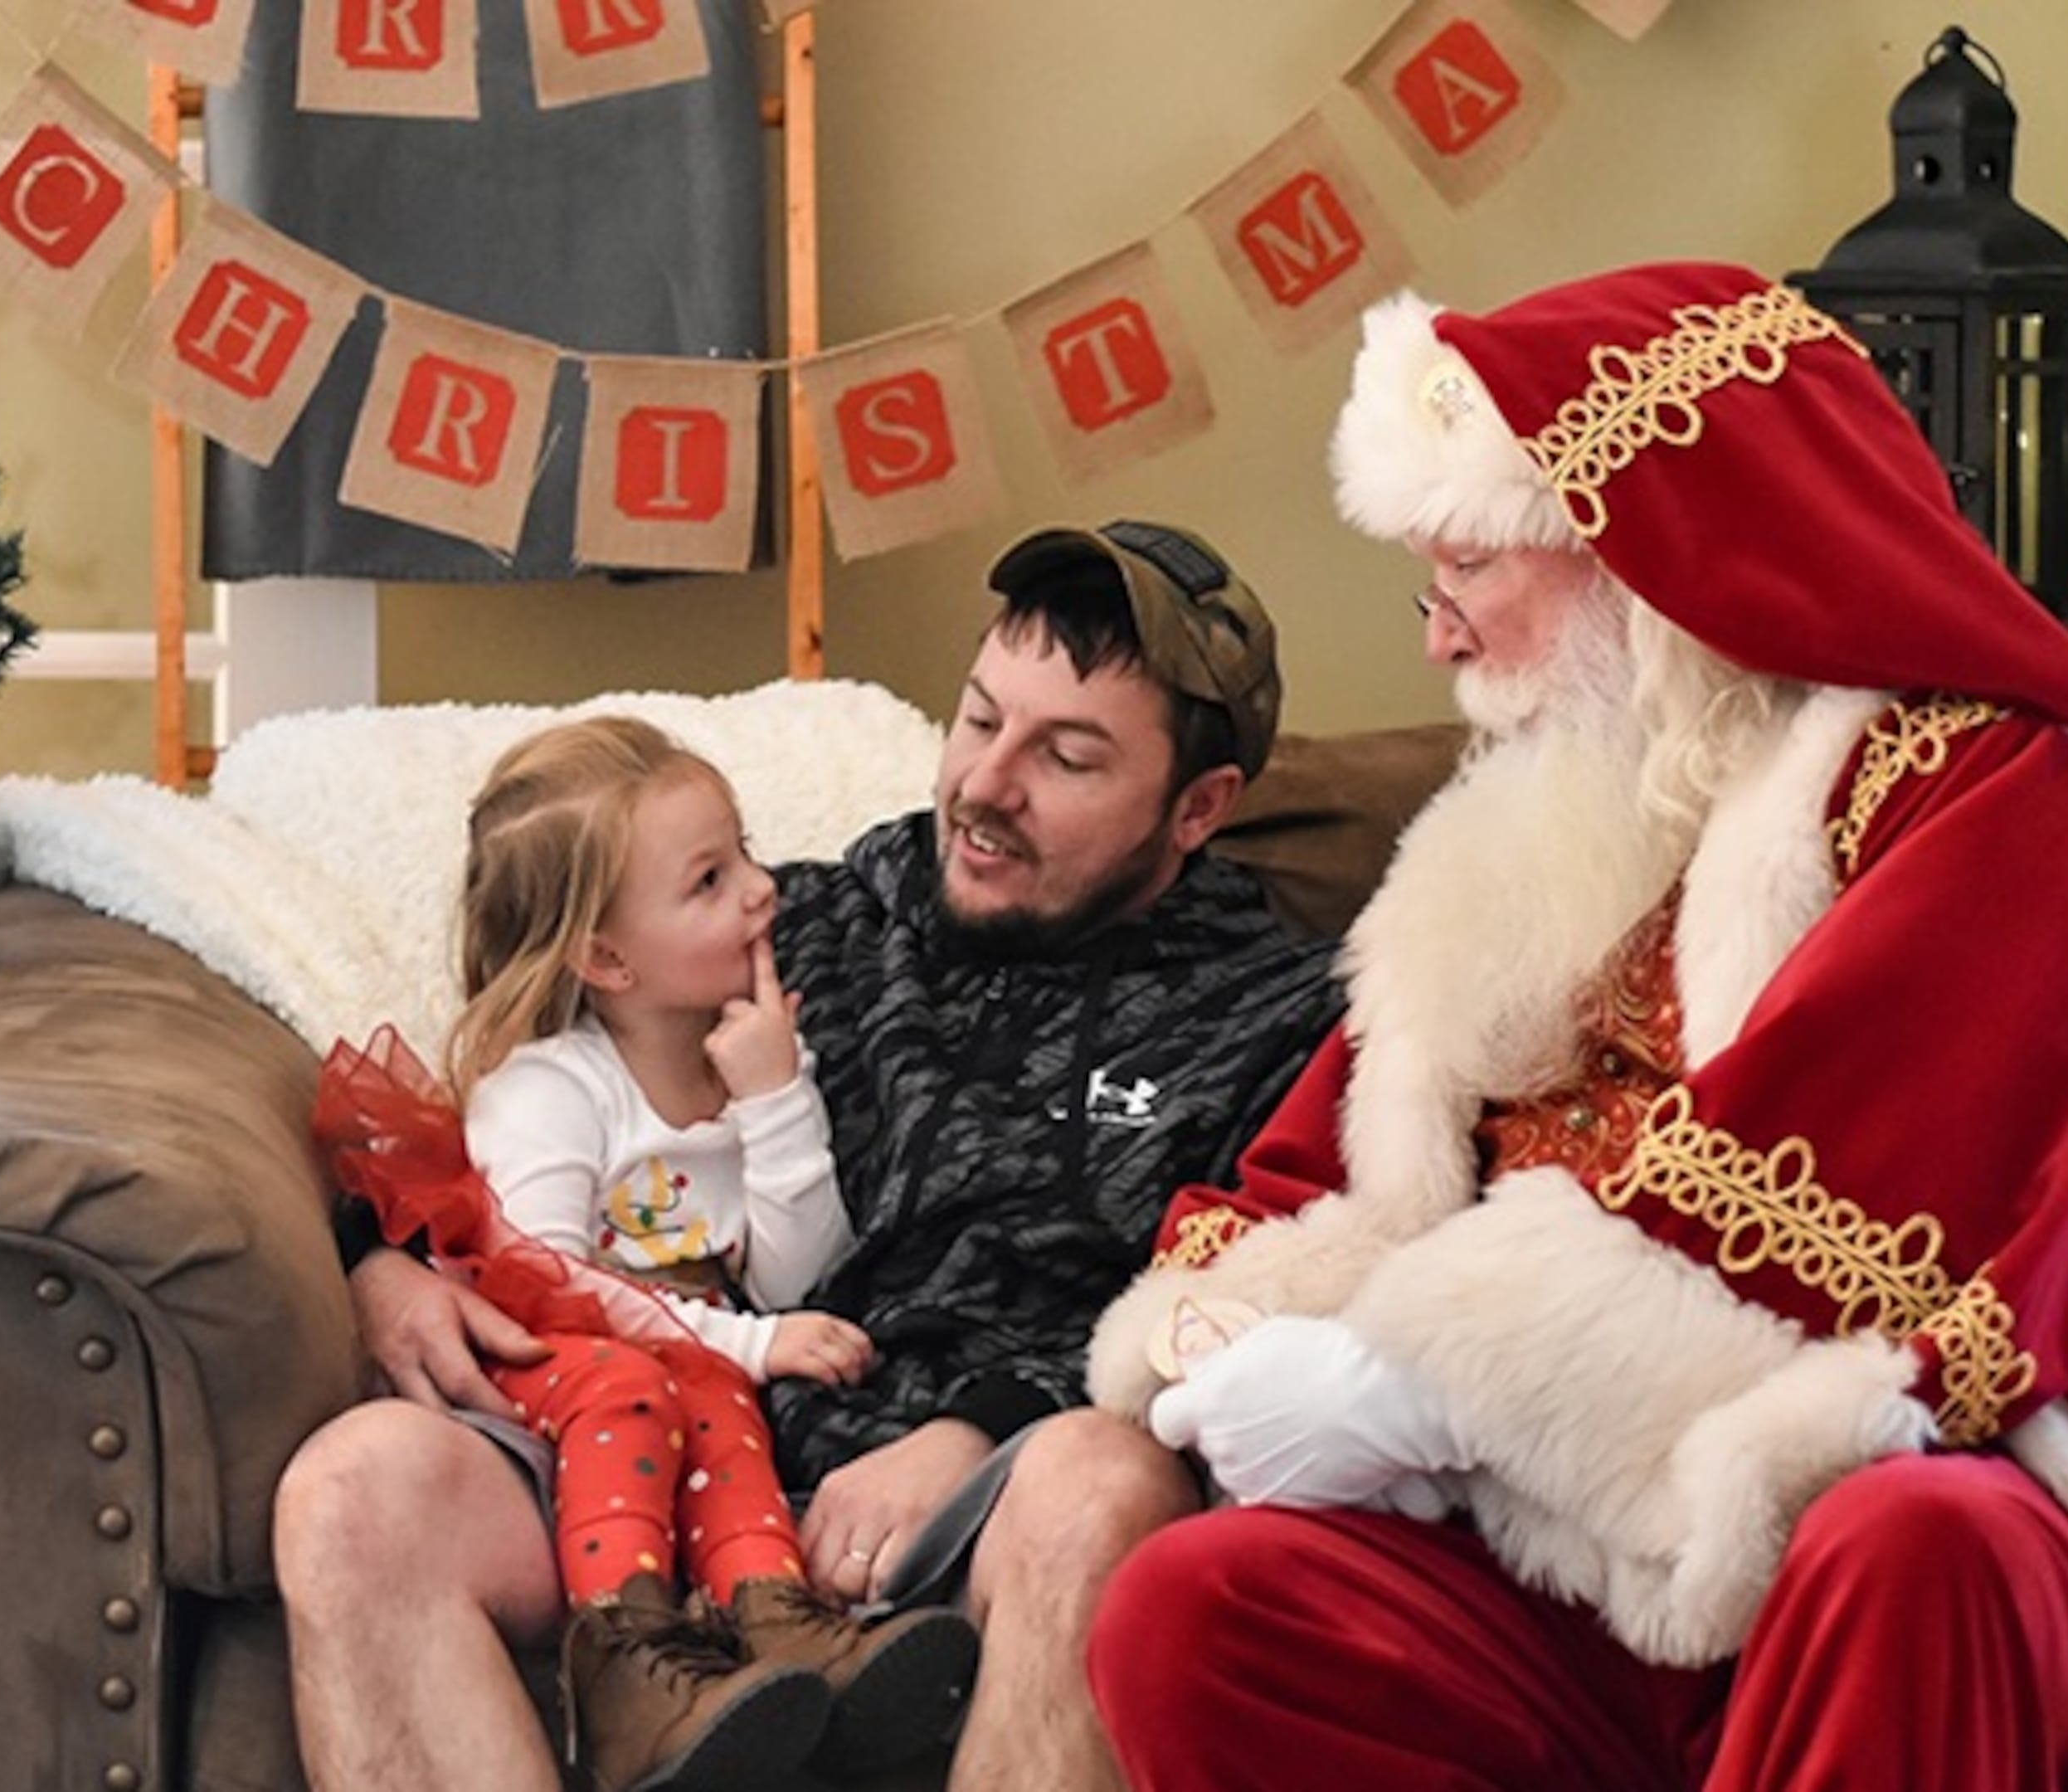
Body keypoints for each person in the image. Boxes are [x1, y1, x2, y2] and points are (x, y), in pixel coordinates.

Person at [1077, 261, 2068, 1791]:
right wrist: (1220, 1345)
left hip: (1898, 1504)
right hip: (1558, 1554)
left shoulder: (1984, 793)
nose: (1440, 643)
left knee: (1914, 1544)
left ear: (1645, 555)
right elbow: (1325, 1179)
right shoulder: (1538, 832)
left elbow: (1920, 1187)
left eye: (1466, 573)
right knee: (1199, 1613)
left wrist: (1427, 1388)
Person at [272, 521, 1345, 1792]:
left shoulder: (1273, 1017)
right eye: (979, 720)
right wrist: (386, 1264)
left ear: (1196, 810)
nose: (986, 787)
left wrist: (975, 1427)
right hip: (672, 1443)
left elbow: (1247, 1314)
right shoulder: (822, 918)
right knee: (358, 1491)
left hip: (991, 1486)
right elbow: (550, 1071)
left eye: (1066, 757)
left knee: (1104, 1483)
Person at [309, 716, 977, 1791]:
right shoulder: (550, 1091)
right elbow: (543, 1281)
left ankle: (777, 1620)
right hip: (550, 1352)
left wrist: (773, 1100)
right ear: (607, 959)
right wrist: (751, 1342)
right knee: (649, 1382)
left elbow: (797, 1280)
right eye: (711, 881)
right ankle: (623, 1667)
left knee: (715, 1401)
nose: (763, 890)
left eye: (746, 852)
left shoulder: (757, 1064)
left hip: (674, 1358)